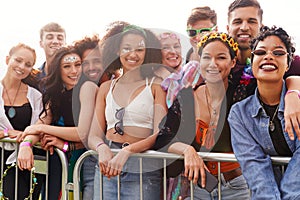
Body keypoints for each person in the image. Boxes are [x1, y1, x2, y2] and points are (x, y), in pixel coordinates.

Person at [87, 23, 167, 200]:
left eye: (139, 49)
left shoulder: (156, 86)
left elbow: (158, 133)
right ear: (117, 51)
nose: (133, 54)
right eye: (127, 48)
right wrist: (101, 149)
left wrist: (127, 151)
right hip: (107, 168)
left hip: (143, 170)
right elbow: (94, 134)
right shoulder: (106, 87)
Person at [229, 25, 300, 200]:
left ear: (288, 64)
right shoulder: (239, 114)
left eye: (278, 53)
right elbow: (254, 167)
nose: (268, 56)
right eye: (260, 53)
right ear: (252, 62)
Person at [17, 45, 89, 199]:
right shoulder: (56, 94)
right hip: (62, 161)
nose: (74, 71)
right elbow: (39, 125)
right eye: (67, 66)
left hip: (88, 161)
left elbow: (82, 132)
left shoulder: (88, 90)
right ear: (58, 70)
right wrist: (25, 145)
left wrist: (46, 130)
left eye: (78, 65)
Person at [226, 0, 300, 139]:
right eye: (237, 21)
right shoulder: (222, 64)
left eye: (252, 21)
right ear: (228, 28)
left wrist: (293, 93)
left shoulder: (281, 58)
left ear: (261, 26)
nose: (244, 27)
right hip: (239, 147)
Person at [0, 43, 42, 200]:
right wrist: (6, 133)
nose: (22, 67)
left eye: (28, 64)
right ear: (7, 59)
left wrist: (26, 141)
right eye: (18, 60)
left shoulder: (36, 96)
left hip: (23, 162)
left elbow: (39, 127)